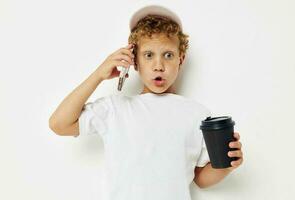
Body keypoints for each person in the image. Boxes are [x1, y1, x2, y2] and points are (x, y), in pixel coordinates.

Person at [49, 4, 244, 200]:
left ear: (181, 59)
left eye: (168, 55)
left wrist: (228, 165)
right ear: (134, 60)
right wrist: (98, 75)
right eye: (148, 55)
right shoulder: (115, 109)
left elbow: (201, 178)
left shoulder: (197, 114)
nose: (158, 66)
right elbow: (59, 124)